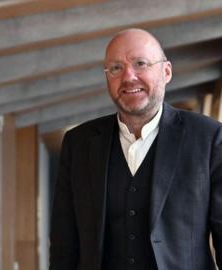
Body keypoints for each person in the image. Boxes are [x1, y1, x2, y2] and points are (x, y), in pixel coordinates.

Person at [49, 28, 222, 270]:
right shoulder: (78, 144)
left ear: (166, 72)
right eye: (116, 68)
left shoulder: (209, 138)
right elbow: (63, 244)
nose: (129, 76)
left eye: (140, 63)